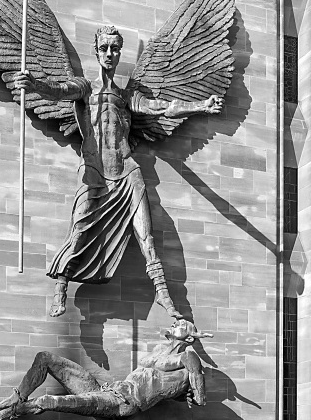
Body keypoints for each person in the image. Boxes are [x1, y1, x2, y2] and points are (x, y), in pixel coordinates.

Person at [11, 25, 223, 319]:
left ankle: (163, 295)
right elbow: (59, 91)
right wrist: (34, 84)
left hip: (127, 171)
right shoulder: (85, 88)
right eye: (104, 48)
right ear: (96, 52)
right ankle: (60, 288)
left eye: (115, 49)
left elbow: (162, 107)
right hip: (94, 170)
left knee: (147, 236)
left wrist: (200, 105)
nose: (110, 54)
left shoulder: (126, 97)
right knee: (79, 229)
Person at [0, 320, 213, 420]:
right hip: (107, 391)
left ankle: (12, 412)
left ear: (190, 338)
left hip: (122, 404)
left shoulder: (188, 358)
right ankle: (17, 398)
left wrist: (195, 390)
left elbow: (199, 397)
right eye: (176, 323)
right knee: (45, 358)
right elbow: (170, 390)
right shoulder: (160, 350)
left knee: (49, 401)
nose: (175, 324)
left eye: (182, 325)